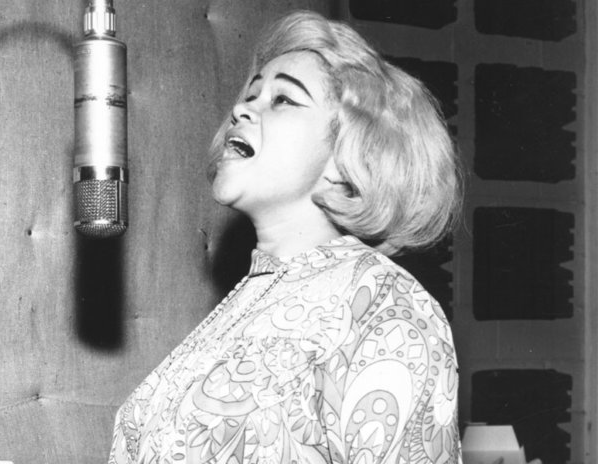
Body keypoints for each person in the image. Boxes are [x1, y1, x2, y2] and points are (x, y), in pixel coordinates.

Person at [109, 10, 463, 464]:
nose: (240, 109)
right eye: (251, 94)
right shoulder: (245, 302)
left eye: (283, 99)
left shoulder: (381, 302)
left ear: (346, 158)